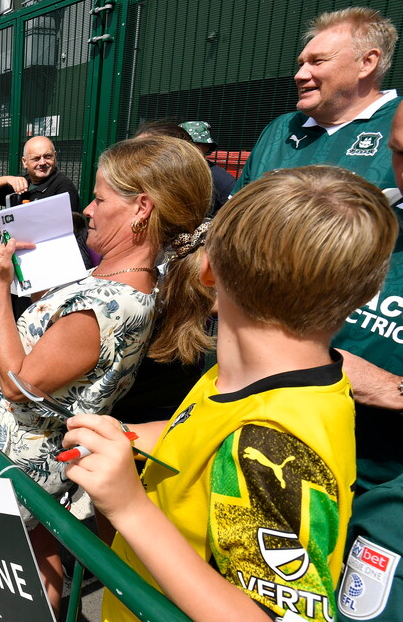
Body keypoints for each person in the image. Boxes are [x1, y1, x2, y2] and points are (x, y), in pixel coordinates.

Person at [63, 165, 398, 622]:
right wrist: (129, 435)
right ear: (363, 294)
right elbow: (208, 438)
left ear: (208, 270)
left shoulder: (273, 446)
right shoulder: (257, 377)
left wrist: (130, 508)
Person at [0, 135, 213, 614]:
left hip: (21, 459)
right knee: (35, 556)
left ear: (141, 209)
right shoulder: (138, 281)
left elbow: (17, 386)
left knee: (4, 578)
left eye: (100, 199)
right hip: (43, 461)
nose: (89, 211)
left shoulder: (101, 308)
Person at [333, 101, 403, 622]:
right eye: (399, 153)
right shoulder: (377, 215)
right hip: (325, 465)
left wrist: (392, 388)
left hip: (389, 502)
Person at [235, 7, 399, 193]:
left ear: (367, 63)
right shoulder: (280, 128)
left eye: (317, 61)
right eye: (301, 64)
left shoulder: (395, 122)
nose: (300, 75)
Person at [0, 135, 80, 212]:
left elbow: (66, 229)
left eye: (48, 156)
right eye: (36, 158)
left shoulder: (63, 187)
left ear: (55, 156)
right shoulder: (23, 181)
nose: (42, 163)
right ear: (25, 162)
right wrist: (7, 179)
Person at [179, 121, 236, 213]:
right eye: (183, 143)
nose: (187, 148)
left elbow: (236, 211)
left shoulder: (219, 178)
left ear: (207, 147)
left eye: (194, 144)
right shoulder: (166, 171)